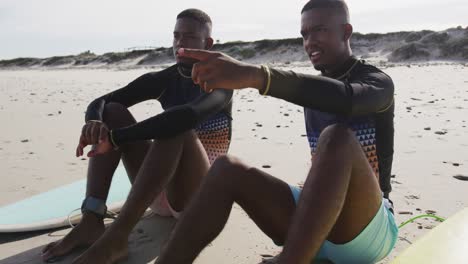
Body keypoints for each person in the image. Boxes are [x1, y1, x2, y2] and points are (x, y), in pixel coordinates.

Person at [155, 1, 397, 263]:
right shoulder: (317, 89)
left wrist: (255, 76)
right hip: (314, 232)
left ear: (346, 31)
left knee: (336, 136)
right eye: (304, 34)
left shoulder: (377, 82)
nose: (309, 42)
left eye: (319, 30)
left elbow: (347, 99)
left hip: (367, 232)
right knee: (227, 168)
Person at [41, 8, 232, 264]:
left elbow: (185, 117)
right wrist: (94, 121)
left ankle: (117, 237)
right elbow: (103, 100)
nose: (180, 43)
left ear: (207, 43)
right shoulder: (165, 79)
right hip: (158, 190)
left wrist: (118, 138)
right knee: (113, 111)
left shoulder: (222, 79)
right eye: (176, 35)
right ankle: (91, 219)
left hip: (198, 198)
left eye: (189, 36)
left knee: (176, 126)